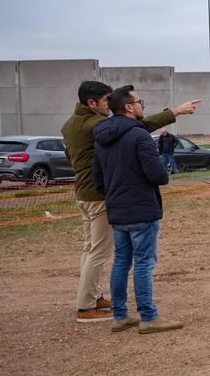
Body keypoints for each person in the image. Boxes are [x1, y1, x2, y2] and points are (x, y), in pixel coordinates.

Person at [61, 81, 199, 323]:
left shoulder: (70, 125)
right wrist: (175, 112)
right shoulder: (98, 125)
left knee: (93, 249)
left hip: (85, 192)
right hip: (102, 196)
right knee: (102, 253)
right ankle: (86, 306)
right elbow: (140, 127)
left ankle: (92, 296)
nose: (109, 105)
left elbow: (73, 156)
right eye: (106, 100)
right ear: (91, 103)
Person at [93, 85, 184, 334]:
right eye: (139, 101)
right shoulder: (139, 136)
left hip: (117, 210)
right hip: (142, 209)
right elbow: (158, 175)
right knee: (144, 262)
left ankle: (120, 316)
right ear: (129, 107)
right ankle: (148, 316)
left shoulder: (102, 138)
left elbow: (97, 179)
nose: (142, 105)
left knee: (122, 261)